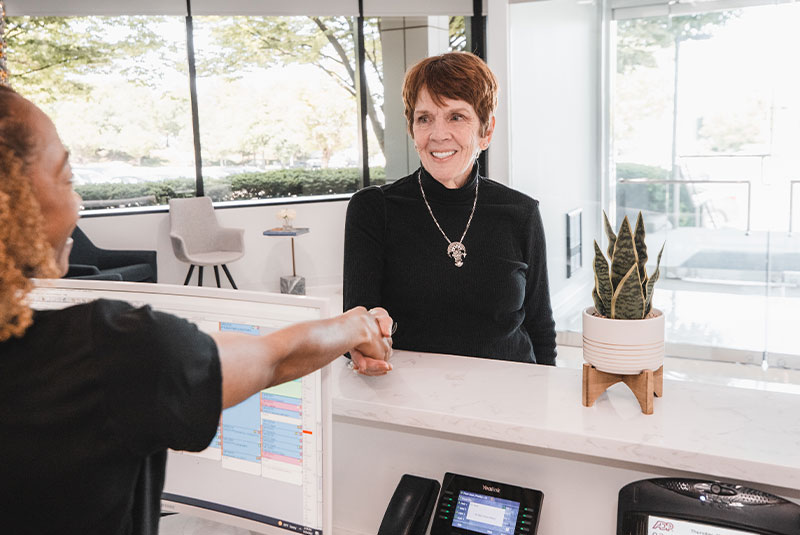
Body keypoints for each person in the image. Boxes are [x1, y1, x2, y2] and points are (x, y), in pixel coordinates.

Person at [0, 86, 394, 534]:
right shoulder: (105, 353)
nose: (79, 204)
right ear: (12, 204)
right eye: (67, 178)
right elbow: (272, 356)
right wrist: (356, 324)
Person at [344, 52, 556, 365]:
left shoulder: (521, 212)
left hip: (512, 393)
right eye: (424, 118)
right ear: (412, 130)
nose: (438, 135)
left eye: (456, 116)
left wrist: (543, 400)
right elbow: (355, 332)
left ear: (486, 131)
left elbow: (540, 326)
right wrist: (368, 334)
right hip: (412, 396)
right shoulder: (374, 209)